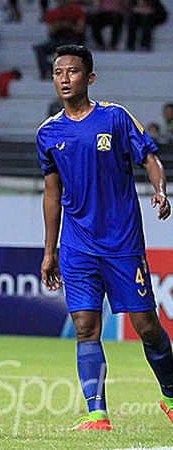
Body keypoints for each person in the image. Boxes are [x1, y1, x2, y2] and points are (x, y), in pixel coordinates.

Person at [38, 45, 173, 430]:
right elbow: (52, 192)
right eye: (58, 72)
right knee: (85, 326)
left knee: (147, 325)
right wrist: (49, 251)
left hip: (122, 243)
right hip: (77, 246)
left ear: (90, 78)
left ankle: (171, 394)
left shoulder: (114, 118)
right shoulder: (48, 133)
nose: (65, 78)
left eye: (73, 72)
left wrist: (160, 190)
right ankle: (98, 413)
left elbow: (150, 157)